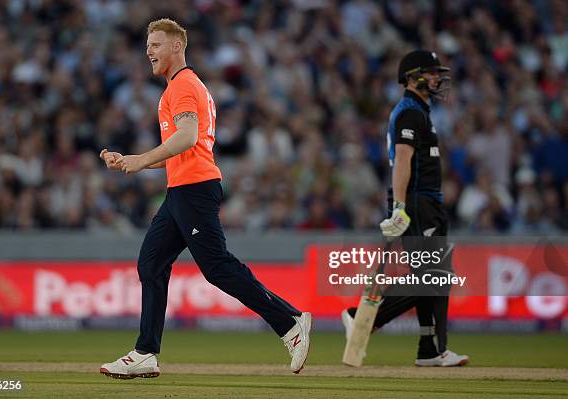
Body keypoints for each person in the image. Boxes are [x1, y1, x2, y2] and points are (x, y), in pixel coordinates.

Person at [99, 18, 311, 379]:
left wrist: (141, 159)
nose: (148, 50)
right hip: (182, 189)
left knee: (216, 268)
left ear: (177, 47)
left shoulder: (182, 86)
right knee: (151, 265)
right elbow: (181, 148)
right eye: (147, 44)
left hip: (194, 190)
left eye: (156, 44)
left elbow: (186, 137)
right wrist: (132, 162)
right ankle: (146, 351)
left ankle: (289, 321)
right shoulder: (181, 87)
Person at [342, 50, 468, 367]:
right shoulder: (410, 112)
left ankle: (431, 349)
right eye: (432, 72)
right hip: (416, 201)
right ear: (413, 77)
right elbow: (402, 161)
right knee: (434, 276)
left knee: (431, 276)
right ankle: (360, 318)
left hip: (426, 202)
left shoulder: (420, 112)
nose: (439, 78)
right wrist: (400, 206)